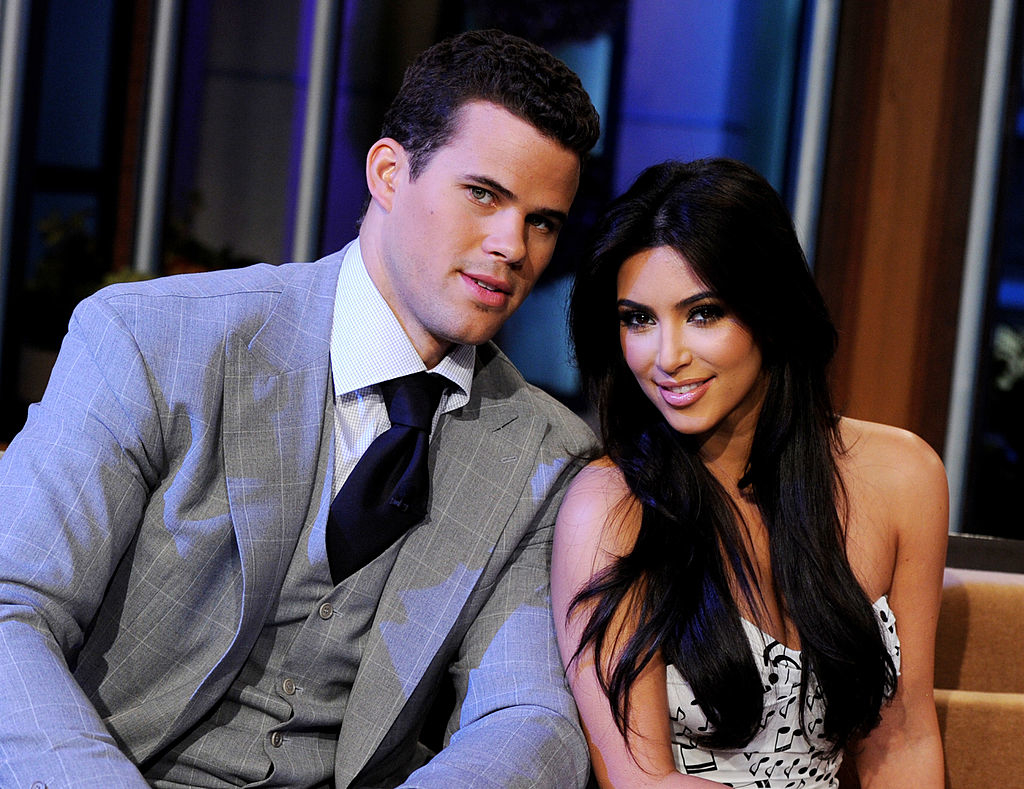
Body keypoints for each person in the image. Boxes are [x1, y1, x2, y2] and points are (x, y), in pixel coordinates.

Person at [0, 29, 601, 788]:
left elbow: (527, 716)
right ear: (388, 172)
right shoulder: (158, 340)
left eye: (543, 220)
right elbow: (11, 602)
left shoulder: (543, 451)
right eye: (484, 193)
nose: (513, 244)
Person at [551, 158, 948, 788]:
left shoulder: (904, 476)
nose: (667, 357)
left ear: (771, 308)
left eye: (703, 313)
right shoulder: (610, 506)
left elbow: (903, 738)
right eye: (638, 320)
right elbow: (639, 782)